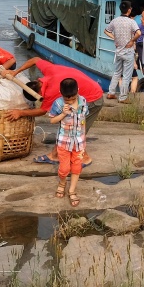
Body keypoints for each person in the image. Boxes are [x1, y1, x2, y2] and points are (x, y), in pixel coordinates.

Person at [5, 57, 104, 164]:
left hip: (93, 99)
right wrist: (16, 71)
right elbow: (35, 60)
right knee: (67, 126)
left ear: (39, 95)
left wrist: (20, 112)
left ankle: (85, 159)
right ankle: (54, 154)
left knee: (76, 130)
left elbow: (42, 111)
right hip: (89, 88)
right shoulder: (48, 70)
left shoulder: (51, 92)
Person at [49, 77, 88, 207]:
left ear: (78, 91)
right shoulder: (59, 104)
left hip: (79, 141)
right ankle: (62, 182)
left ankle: (72, 190)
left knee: (77, 166)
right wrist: (63, 114)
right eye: (67, 99)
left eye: (73, 98)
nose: (70, 101)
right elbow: (52, 120)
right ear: (61, 94)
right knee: (64, 168)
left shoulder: (83, 101)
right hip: (64, 141)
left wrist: (84, 136)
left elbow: (84, 119)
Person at [104, 0, 138, 102]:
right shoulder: (132, 22)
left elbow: (106, 31)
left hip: (118, 51)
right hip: (128, 52)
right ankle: (123, 97)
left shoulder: (115, 21)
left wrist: (114, 37)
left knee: (117, 73)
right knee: (127, 75)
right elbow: (139, 33)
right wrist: (132, 40)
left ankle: (111, 93)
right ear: (129, 10)